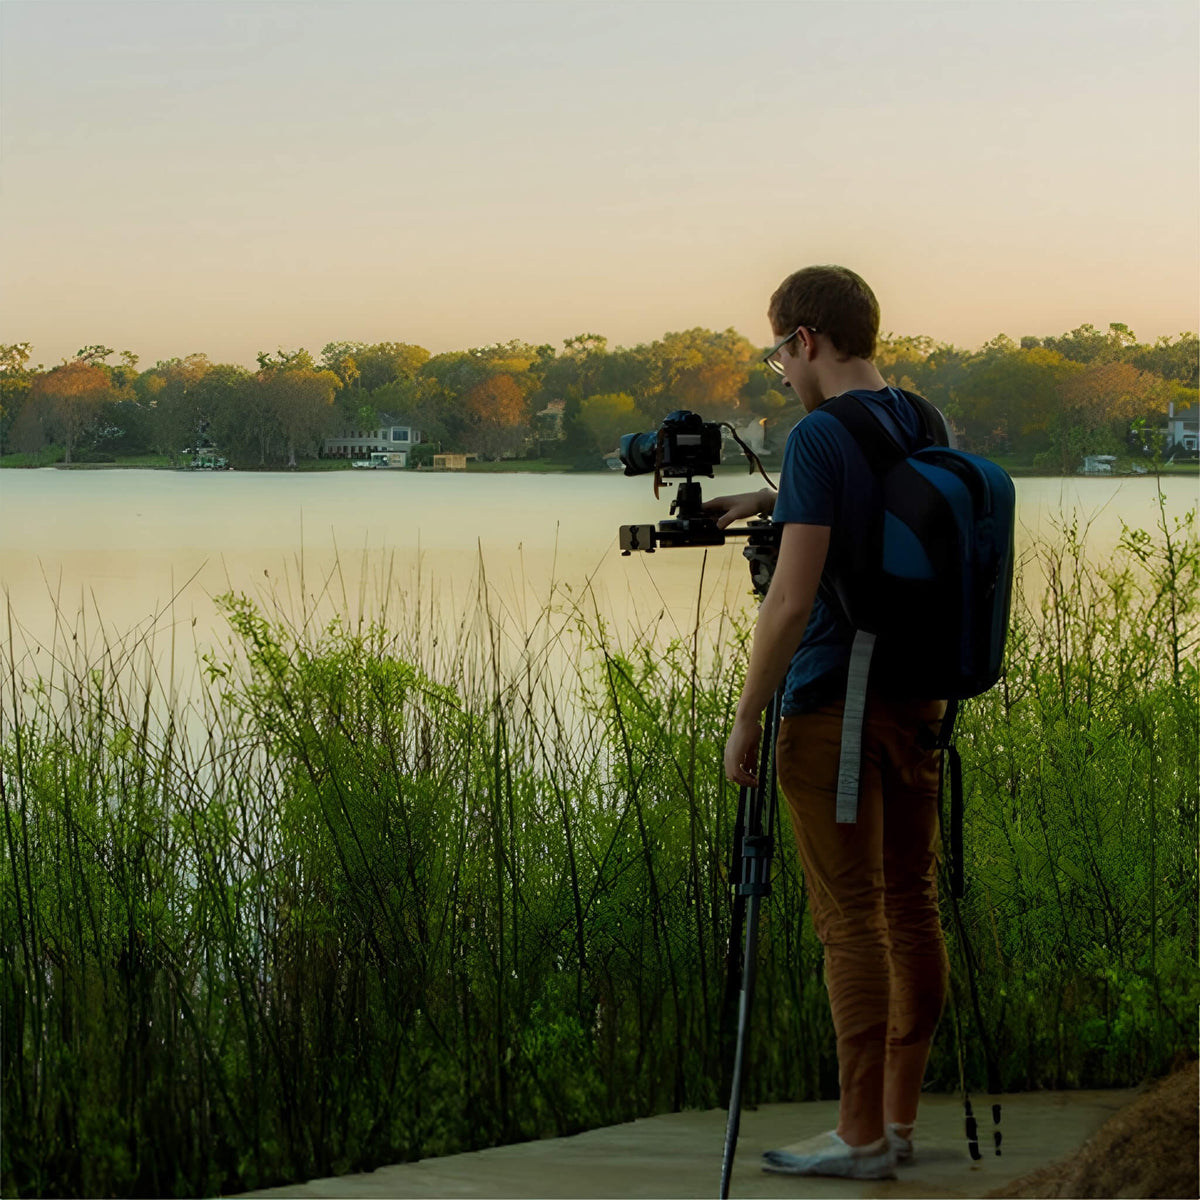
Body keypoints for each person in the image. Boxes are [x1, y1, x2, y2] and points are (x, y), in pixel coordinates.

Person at [706, 265, 950, 1181]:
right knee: (910, 905)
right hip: (917, 698)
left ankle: (856, 1141)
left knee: (850, 921)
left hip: (834, 707)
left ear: (805, 339)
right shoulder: (921, 420)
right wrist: (769, 500)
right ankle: (894, 1123)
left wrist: (745, 717)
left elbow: (793, 600)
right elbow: (881, 502)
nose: (782, 368)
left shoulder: (817, 433)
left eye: (779, 352)